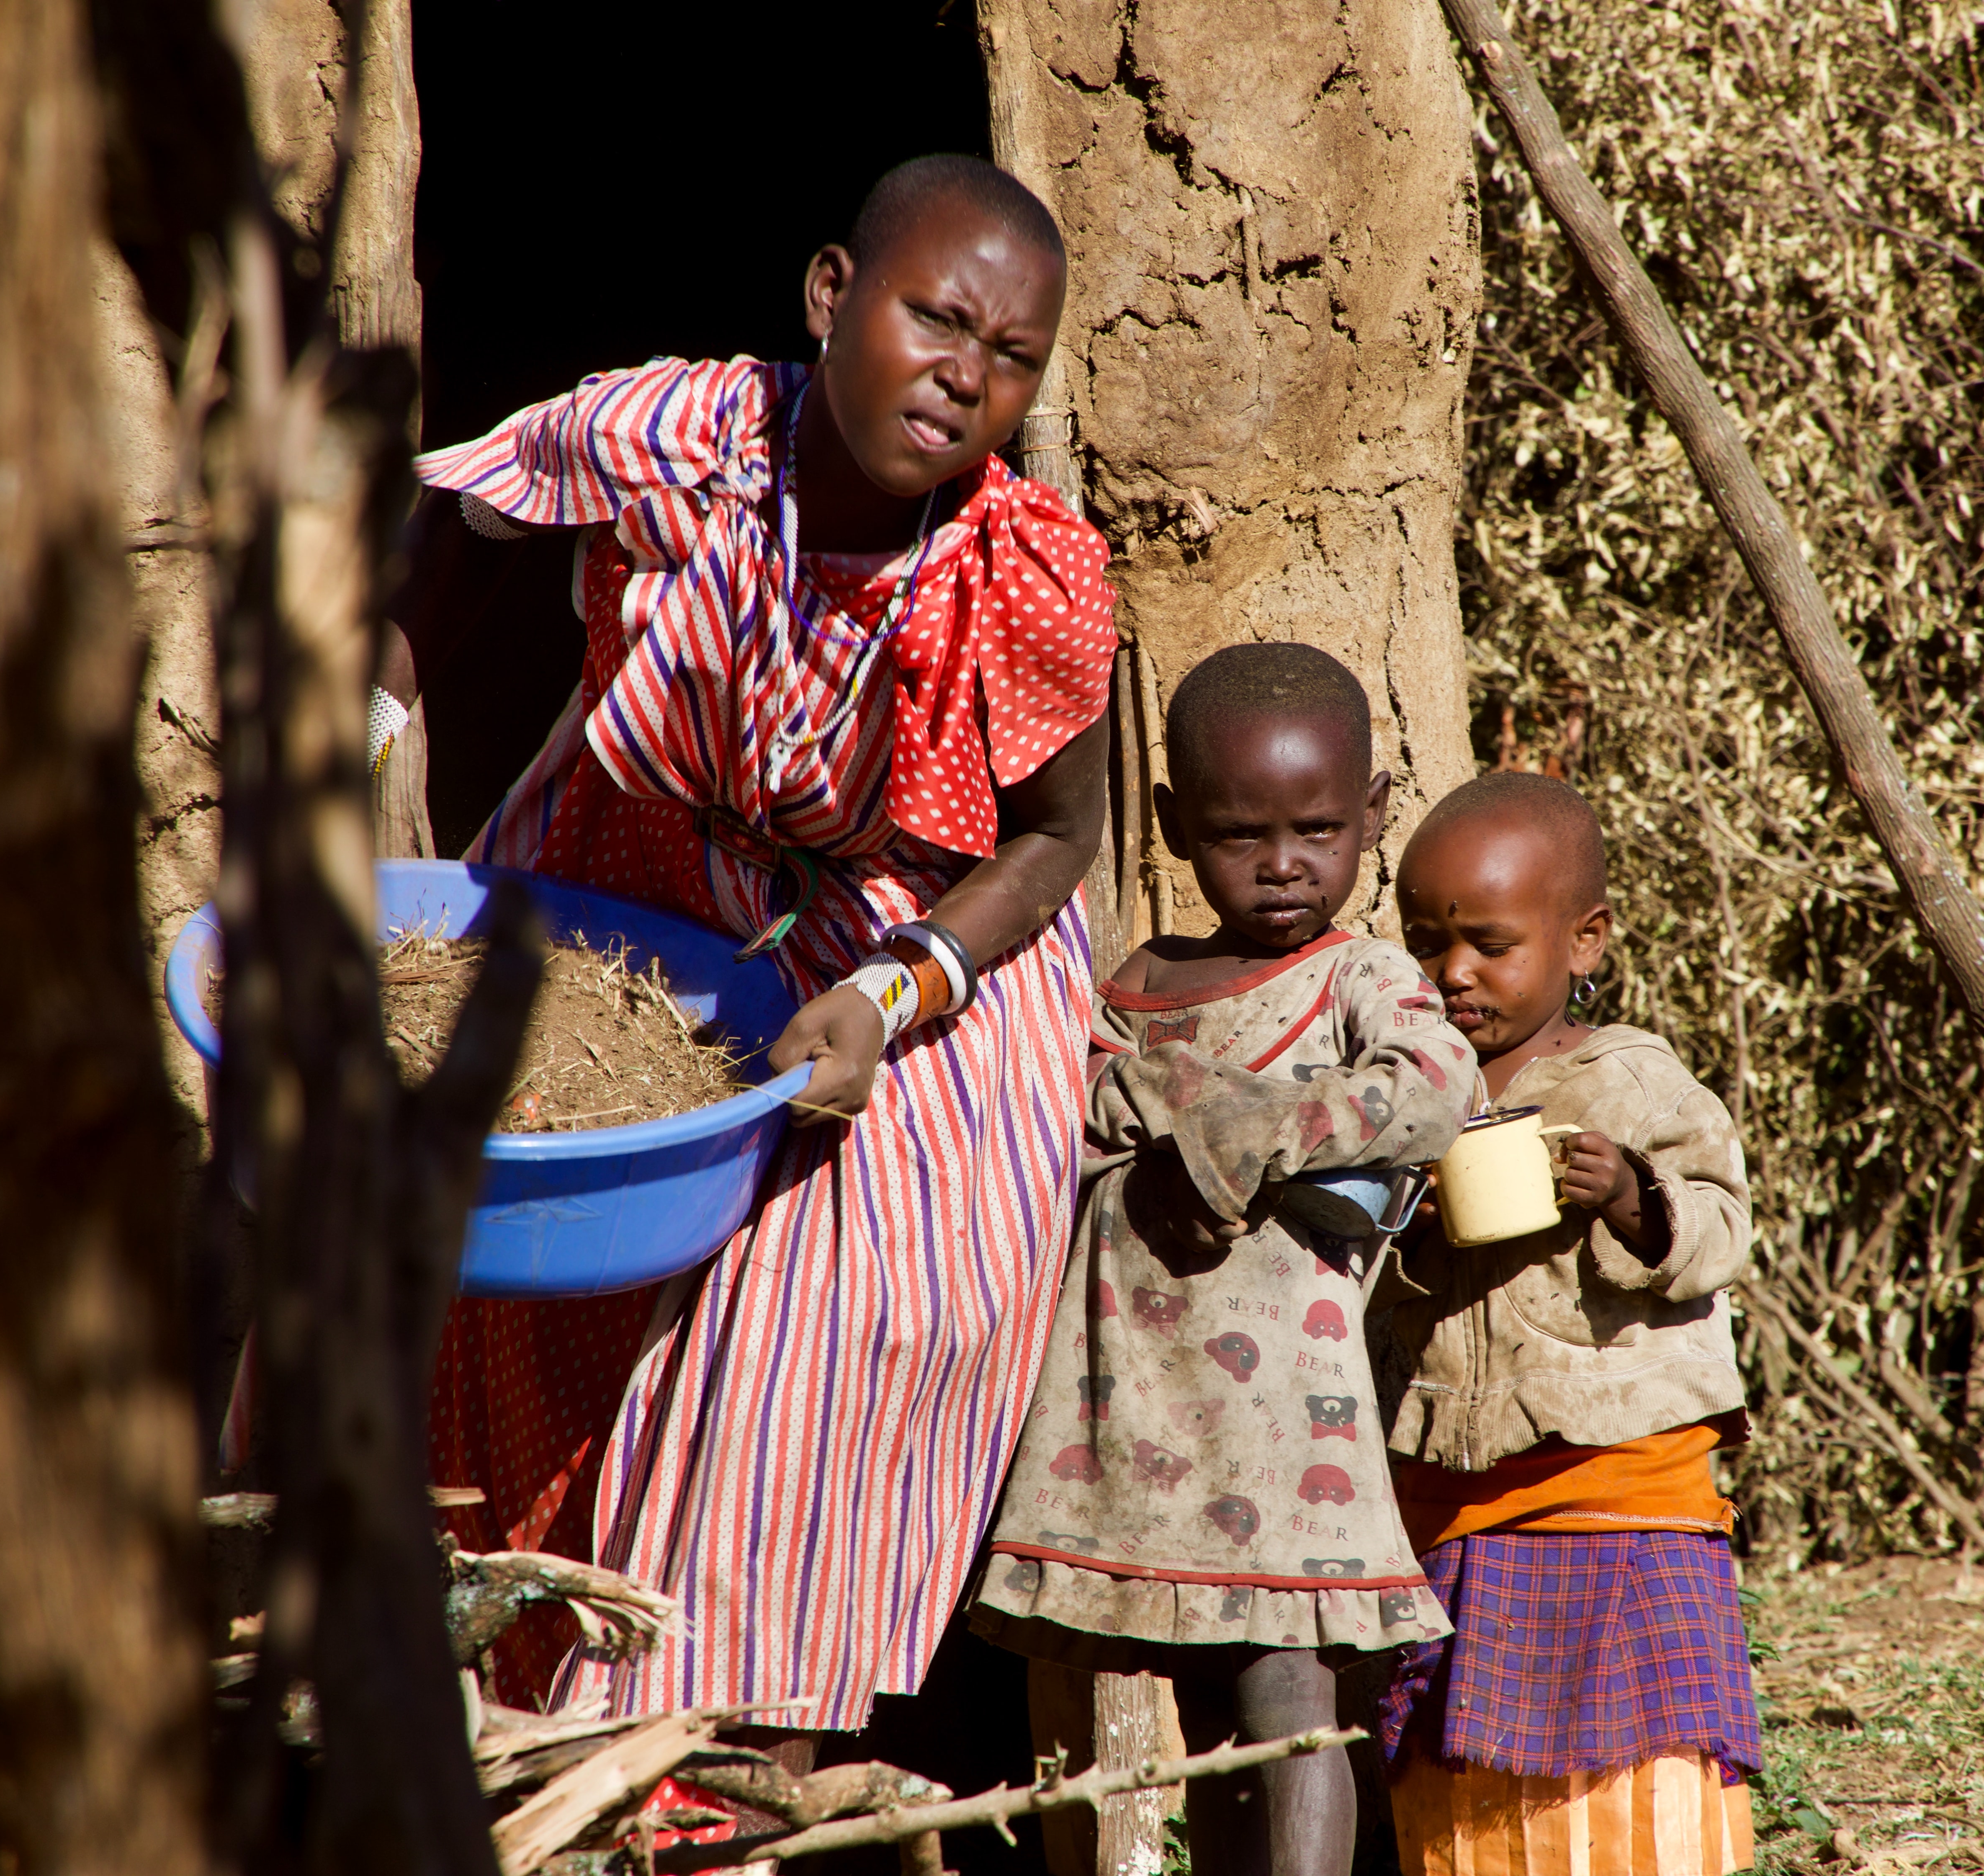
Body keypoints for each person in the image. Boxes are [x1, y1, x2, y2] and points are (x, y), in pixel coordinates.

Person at [396, 154, 1121, 1743]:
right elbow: (470, 511)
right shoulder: (677, 441)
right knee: (497, 1310)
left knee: (830, 1348)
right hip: (628, 913)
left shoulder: (1027, 569)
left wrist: (887, 991)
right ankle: (490, 1740)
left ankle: (712, 1779)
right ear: (829, 296)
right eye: (937, 319)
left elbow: (1063, 837)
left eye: (1012, 358)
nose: (965, 378)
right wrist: (361, 730)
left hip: (909, 977)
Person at [968, 643, 1475, 1876]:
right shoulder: (1131, 985)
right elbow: (1045, 1125)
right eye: (1242, 832)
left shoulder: (1361, 979)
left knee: (1290, 1695)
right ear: (1172, 824)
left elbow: (1434, 1084)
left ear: (1373, 817)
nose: (1284, 864)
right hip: (1128, 1417)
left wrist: (1264, 1127)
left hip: (1281, 1433)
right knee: (1192, 1710)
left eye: (1317, 830)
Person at [1375, 771, 1763, 1876]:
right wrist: (1411, 1227)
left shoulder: (1629, 1079)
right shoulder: (1408, 1091)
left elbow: (1720, 1228)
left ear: (1584, 940)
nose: (1454, 974)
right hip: (1451, 1504)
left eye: (1489, 944)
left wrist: (1632, 1196)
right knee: (1473, 1791)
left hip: (1621, 1491)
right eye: (1426, 943)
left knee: (1640, 1767)